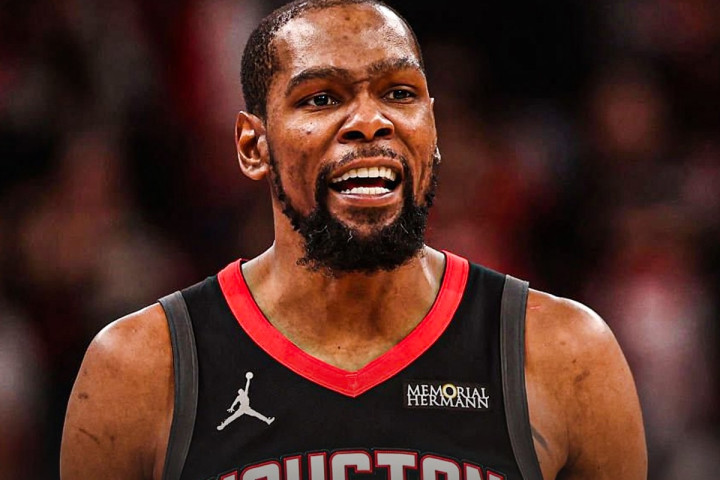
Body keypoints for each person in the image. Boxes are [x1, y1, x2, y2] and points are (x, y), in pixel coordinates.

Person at [59, 1, 648, 479]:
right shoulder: (139, 370)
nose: (371, 121)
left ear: (433, 130)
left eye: (400, 93)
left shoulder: (566, 355)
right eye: (321, 98)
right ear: (252, 146)